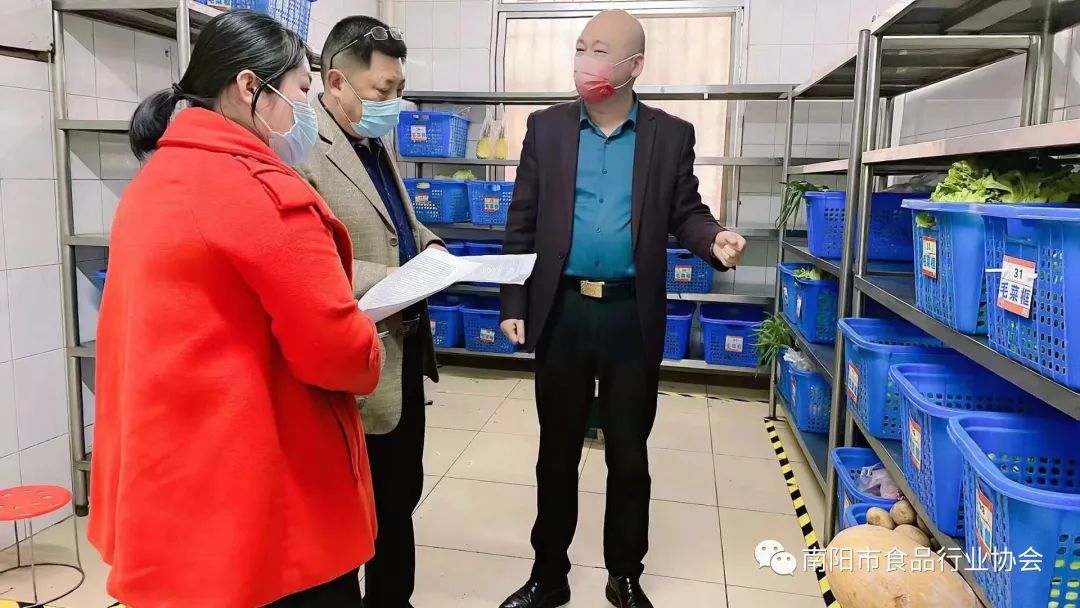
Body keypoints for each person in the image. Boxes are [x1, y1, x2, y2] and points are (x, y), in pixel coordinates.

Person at [88, 10, 384, 607]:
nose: (306, 111)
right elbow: (338, 355)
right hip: (263, 504)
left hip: (174, 489)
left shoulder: (156, 180)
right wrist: (368, 337)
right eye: (301, 89)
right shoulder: (264, 193)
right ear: (251, 87)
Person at [498, 10, 747, 608]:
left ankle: (625, 575)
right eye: (580, 47)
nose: (584, 60)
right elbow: (522, 219)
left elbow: (685, 211)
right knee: (556, 453)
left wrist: (713, 238)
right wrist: (513, 300)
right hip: (562, 311)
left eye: (600, 50)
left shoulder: (670, 134)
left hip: (630, 317)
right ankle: (548, 577)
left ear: (633, 66)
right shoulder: (547, 128)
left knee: (630, 455)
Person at [299, 16, 444, 608]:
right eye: (384, 90)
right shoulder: (304, 149)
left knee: (400, 494)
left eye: (399, 89)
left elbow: (399, 226)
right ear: (336, 81)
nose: (395, 103)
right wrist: (392, 279)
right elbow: (305, 261)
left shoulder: (373, 141)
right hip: (354, 362)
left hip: (404, 350)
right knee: (353, 509)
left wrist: (435, 252)